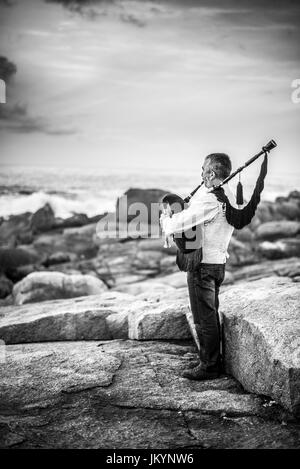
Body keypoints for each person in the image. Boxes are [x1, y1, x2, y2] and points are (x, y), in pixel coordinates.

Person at [160, 153, 236, 381]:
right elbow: (197, 211)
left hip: (202, 266)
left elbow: (175, 225)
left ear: (212, 173)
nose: (201, 173)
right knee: (210, 315)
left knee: (204, 319)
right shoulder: (227, 194)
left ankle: (209, 366)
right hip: (218, 263)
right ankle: (211, 360)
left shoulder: (211, 199)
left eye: (204, 169)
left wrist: (165, 217)